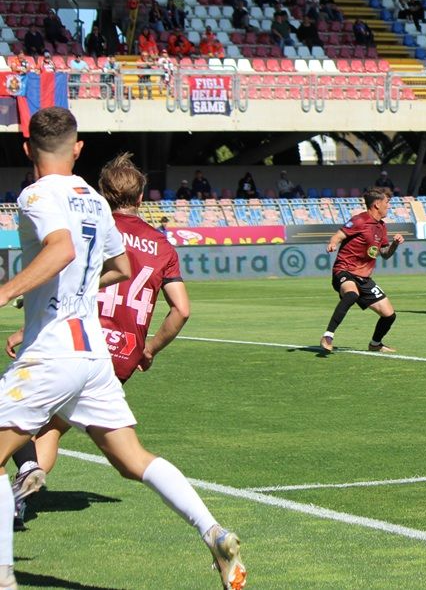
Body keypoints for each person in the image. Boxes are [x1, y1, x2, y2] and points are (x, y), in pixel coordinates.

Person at [0, 109, 246, 590]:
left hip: (53, 353)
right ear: (78, 149)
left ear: (27, 149)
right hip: (94, 357)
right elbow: (120, 267)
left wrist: (8, 291)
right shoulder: (94, 201)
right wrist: (71, 291)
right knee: (133, 459)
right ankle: (213, 531)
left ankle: (4, 574)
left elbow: (61, 249)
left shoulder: (36, 194)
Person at [6, 153, 192, 519]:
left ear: (103, 193)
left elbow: (71, 285)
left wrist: (27, 325)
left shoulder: (91, 225)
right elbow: (182, 309)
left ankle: (20, 491)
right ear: (141, 197)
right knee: (56, 427)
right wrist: (150, 349)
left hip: (79, 339)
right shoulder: (162, 246)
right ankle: (22, 489)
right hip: (123, 353)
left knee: (33, 422)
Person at [320, 190, 403, 353]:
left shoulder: (381, 226)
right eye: (386, 202)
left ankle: (375, 344)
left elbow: (385, 254)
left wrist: (394, 245)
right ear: (377, 204)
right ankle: (328, 336)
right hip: (344, 270)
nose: (389, 206)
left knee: (389, 315)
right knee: (351, 294)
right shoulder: (359, 220)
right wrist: (333, 243)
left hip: (364, 277)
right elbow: (338, 235)